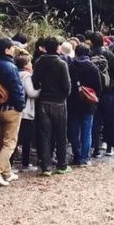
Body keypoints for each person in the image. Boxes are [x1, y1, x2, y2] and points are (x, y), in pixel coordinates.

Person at [0, 37, 25, 187]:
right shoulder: (10, 67)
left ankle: (7, 173)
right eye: (12, 47)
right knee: (10, 143)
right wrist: (20, 106)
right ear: (7, 50)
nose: (14, 49)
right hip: (11, 109)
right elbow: (17, 88)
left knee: (1, 142)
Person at [31, 37, 70, 176]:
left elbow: (34, 82)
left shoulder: (39, 62)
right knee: (60, 134)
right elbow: (67, 86)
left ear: (45, 48)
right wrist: (64, 95)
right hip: (59, 102)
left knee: (45, 135)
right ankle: (61, 165)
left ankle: (46, 166)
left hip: (43, 101)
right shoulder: (61, 63)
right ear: (57, 48)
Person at [67, 44, 102, 166]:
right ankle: (84, 157)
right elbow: (99, 87)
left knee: (74, 130)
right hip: (89, 103)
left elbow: (67, 86)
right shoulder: (93, 68)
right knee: (87, 131)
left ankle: (76, 155)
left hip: (73, 103)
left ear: (76, 53)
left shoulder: (71, 67)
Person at [15, 53, 38, 169]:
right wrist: (41, 90)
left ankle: (11, 163)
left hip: (16, 109)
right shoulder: (26, 76)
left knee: (16, 137)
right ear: (25, 65)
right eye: (29, 62)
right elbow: (31, 93)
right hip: (26, 110)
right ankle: (25, 163)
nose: (31, 64)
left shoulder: (15, 74)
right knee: (26, 139)